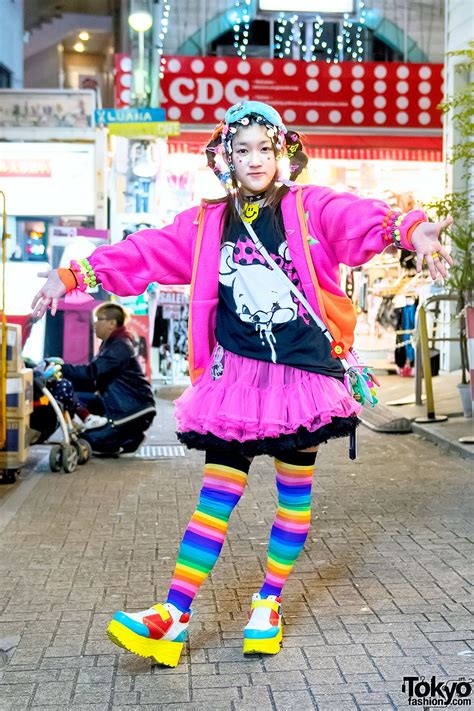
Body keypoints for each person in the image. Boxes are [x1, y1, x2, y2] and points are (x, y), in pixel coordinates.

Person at [31, 100, 453, 667]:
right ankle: (174, 614)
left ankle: (268, 604)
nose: (254, 159)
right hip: (236, 381)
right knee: (215, 497)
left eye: (265, 147)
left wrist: (411, 229)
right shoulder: (207, 223)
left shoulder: (310, 205)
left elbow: (355, 218)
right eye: (242, 149)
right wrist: (75, 274)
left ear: (283, 151)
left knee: (292, 494)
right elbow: (148, 250)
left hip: (301, 376)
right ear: (224, 158)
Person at [59, 302, 156, 454]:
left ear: (112, 323)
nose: (95, 324)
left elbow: (92, 372)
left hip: (132, 409)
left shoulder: (119, 346)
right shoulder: (111, 343)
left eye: (98, 319)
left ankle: (127, 437)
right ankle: (125, 437)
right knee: (73, 396)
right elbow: (93, 379)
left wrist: (62, 368)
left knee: (88, 440)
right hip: (120, 405)